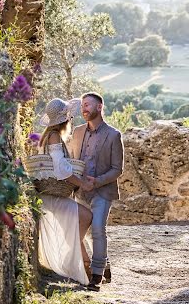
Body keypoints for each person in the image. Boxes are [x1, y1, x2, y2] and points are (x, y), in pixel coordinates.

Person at [34, 98, 94, 285]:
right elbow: (60, 169)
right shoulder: (53, 136)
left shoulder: (50, 135)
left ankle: (81, 261)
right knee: (85, 216)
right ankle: (76, 257)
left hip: (51, 195)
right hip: (50, 196)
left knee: (80, 220)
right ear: (65, 119)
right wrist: (82, 183)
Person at [68, 92, 124, 291]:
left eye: (88, 105)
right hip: (80, 192)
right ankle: (103, 263)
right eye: (82, 105)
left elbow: (118, 169)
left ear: (99, 107)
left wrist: (97, 181)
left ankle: (96, 275)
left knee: (98, 229)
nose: (84, 109)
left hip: (103, 191)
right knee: (77, 232)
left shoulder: (114, 135)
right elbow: (73, 160)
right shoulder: (77, 132)